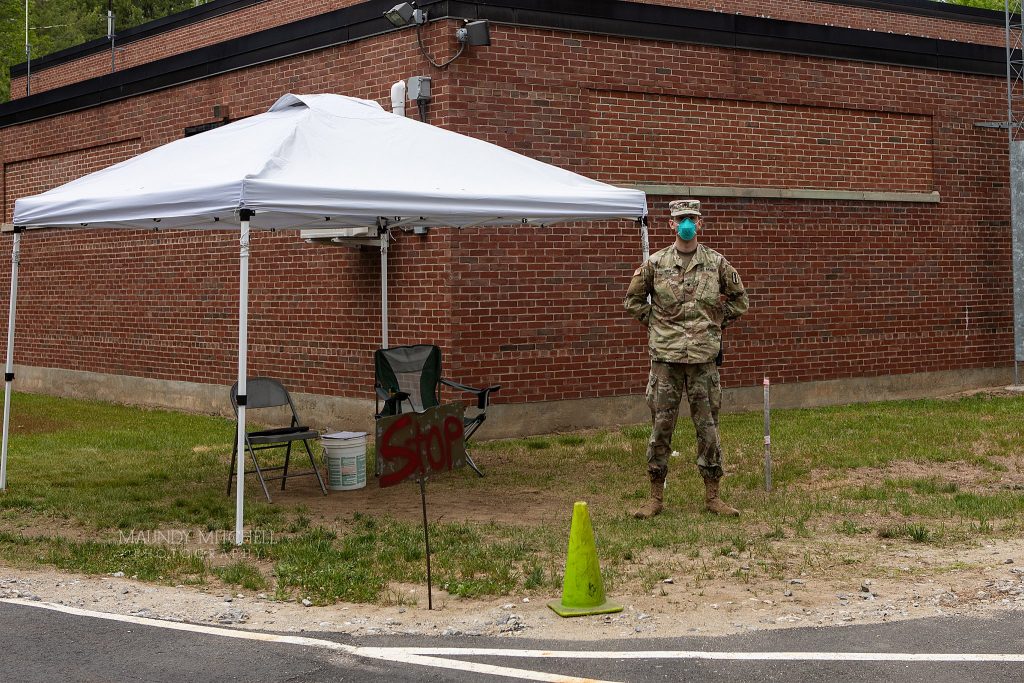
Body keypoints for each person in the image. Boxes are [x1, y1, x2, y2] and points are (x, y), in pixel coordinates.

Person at [624, 199, 749, 519]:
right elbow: (633, 300)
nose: (686, 223)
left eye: (691, 218)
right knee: (661, 428)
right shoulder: (656, 263)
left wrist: (716, 323)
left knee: (708, 429)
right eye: (681, 218)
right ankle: (655, 498)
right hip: (665, 359)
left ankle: (713, 496)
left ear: (700, 222)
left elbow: (740, 300)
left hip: (703, 362)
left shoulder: (717, 263)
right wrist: (656, 323)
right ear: (671, 223)